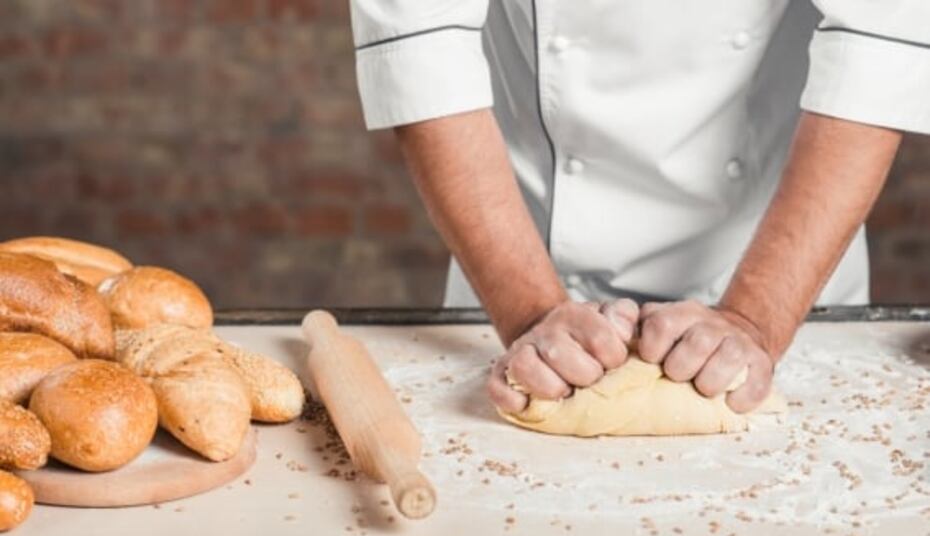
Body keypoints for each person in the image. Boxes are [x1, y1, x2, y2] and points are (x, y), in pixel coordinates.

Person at [349, 2, 929, 414]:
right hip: (519, 264)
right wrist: (528, 311)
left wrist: (755, 319)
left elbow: (872, 47)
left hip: (784, 282)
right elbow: (424, 43)